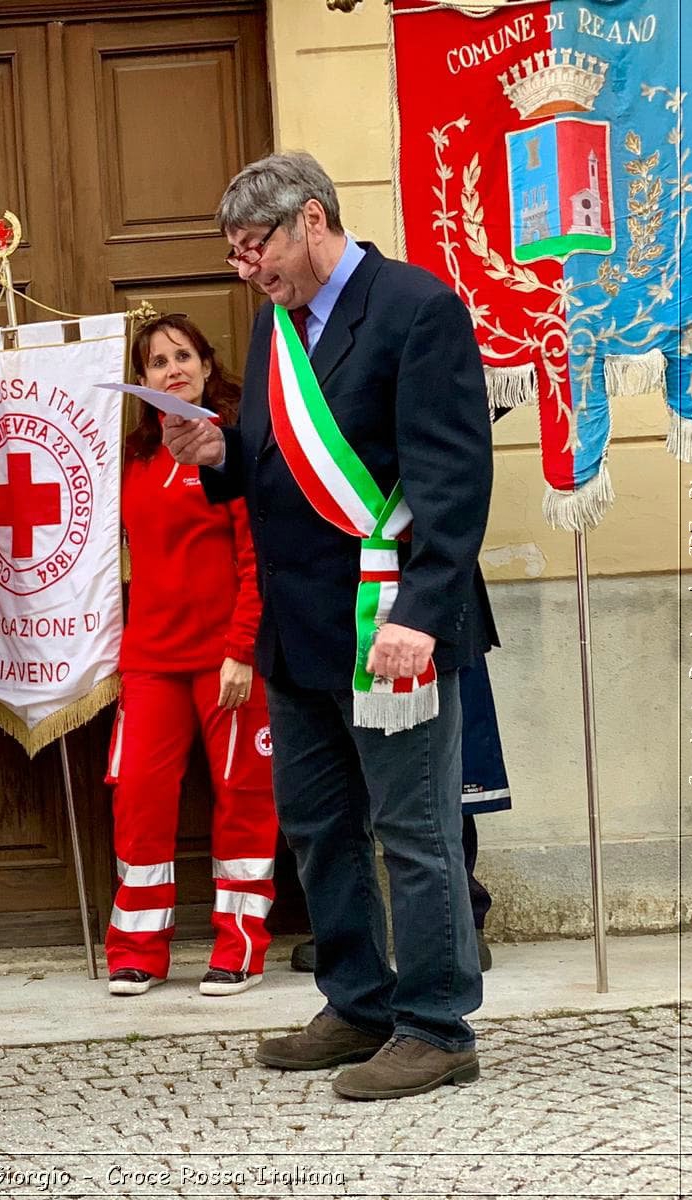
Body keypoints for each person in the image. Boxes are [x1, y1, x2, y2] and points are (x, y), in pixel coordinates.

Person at [163, 151, 495, 1101]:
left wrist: (425, 614)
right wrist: (218, 451)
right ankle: (358, 1001)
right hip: (298, 629)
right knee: (317, 828)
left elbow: (453, 477)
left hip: (390, 624)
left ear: (313, 220)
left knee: (413, 831)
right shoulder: (274, 323)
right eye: (234, 253)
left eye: (254, 245)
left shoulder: (415, 308)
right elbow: (277, 460)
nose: (246, 268)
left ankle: (437, 1024)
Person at [104, 314, 278, 999]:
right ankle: (139, 948)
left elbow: (255, 557)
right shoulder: (136, 461)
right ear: (142, 381)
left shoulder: (230, 449)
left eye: (183, 355)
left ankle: (239, 945)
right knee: (140, 801)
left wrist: (241, 649)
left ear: (208, 367)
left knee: (244, 800)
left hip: (226, 661)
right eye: (155, 361)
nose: (171, 369)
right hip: (150, 662)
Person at [291, 655, 509, 974]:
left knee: (434, 780)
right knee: (339, 785)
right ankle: (349, 930)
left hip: (423, 632)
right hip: (334, 636)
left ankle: (459, 919)